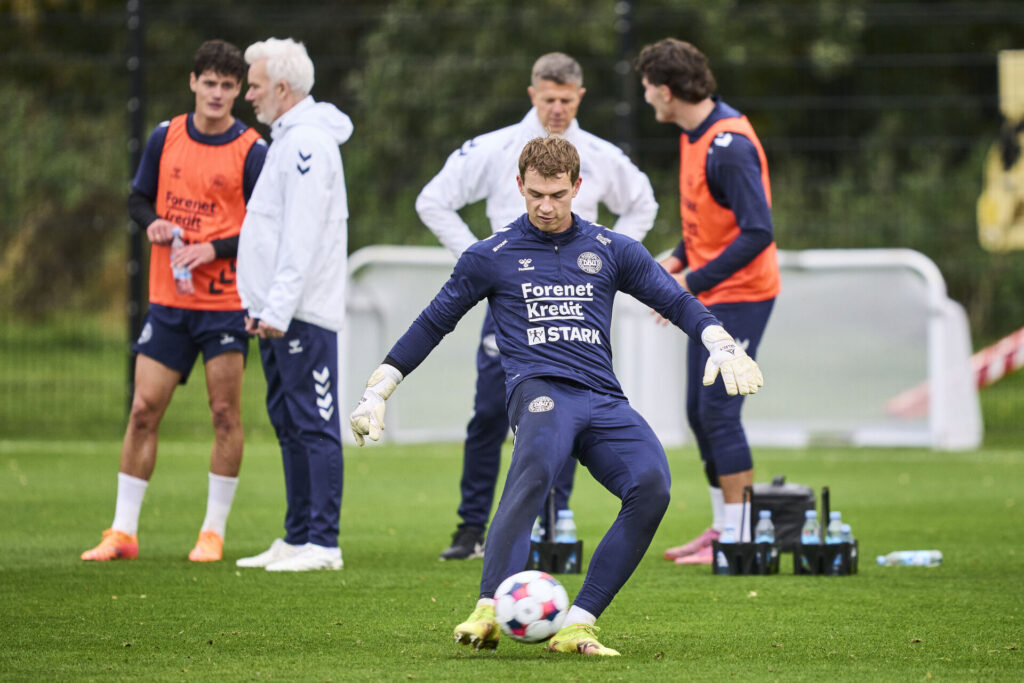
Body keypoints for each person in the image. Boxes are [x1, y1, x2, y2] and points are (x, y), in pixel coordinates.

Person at [350, 136, 763, 655]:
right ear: (519, 186)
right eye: (536, 194)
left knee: (653, 485)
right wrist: (380, 387)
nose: (546, 206)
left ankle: (578, 623)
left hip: (604, 399)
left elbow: (676, 300)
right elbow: (434, 321)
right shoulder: (489, 256)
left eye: (559, 195)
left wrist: (719, 343)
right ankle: (487, 610)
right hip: (539, 392)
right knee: (537, 464)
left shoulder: (613, 249)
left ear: (578, 189)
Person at [416, 52, 658, 561]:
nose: (557, 108)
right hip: (511, 299)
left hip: (575, 302)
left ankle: (551, 526)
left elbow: (643, 202)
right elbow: (432, 200)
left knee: (572, 414)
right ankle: (471, 529)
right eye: (549, 99)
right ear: (533, 94)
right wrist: (475, 260)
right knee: (488, 412)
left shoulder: (598, 153)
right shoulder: (496, 147)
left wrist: (611, 260)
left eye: (566, 100)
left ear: (580, 97)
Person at [81, 40, 267, 563]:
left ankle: (212, 532)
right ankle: (122, 532)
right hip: (168, 302)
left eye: (228, 86)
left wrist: (215, 246)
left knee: (225, 413)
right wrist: (153, 223)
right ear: (192, 83)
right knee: (142, 410)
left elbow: (265, 226)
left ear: (237, 93)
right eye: (209, 82)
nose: (217, 93)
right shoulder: (165, 137)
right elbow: (137, 198)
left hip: (226, 303)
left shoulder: (252, 149)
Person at [635, 39, 780, 564]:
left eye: (649, 89)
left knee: (719, 413)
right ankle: (724, 528)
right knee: (700, 413)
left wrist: (691, 281)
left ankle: (741, 539)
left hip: (742, 296)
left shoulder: (729, 145)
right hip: (713, 294)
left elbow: (757, 232)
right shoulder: (695, 134)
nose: (646, 98)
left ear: (667, 91)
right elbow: (707, 221)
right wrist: (676, 258)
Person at [232, 38, 353, 572]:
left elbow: (300, 236)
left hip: (301, 313)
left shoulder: (308, 144)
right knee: (287, 419)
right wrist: (260, 306)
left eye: (254, 85)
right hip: (277, 313)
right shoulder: (287, 139)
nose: (247, 95)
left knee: (313, 421)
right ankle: (298, 534)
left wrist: (277, 309)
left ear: (282, 88)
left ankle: (323, 544)